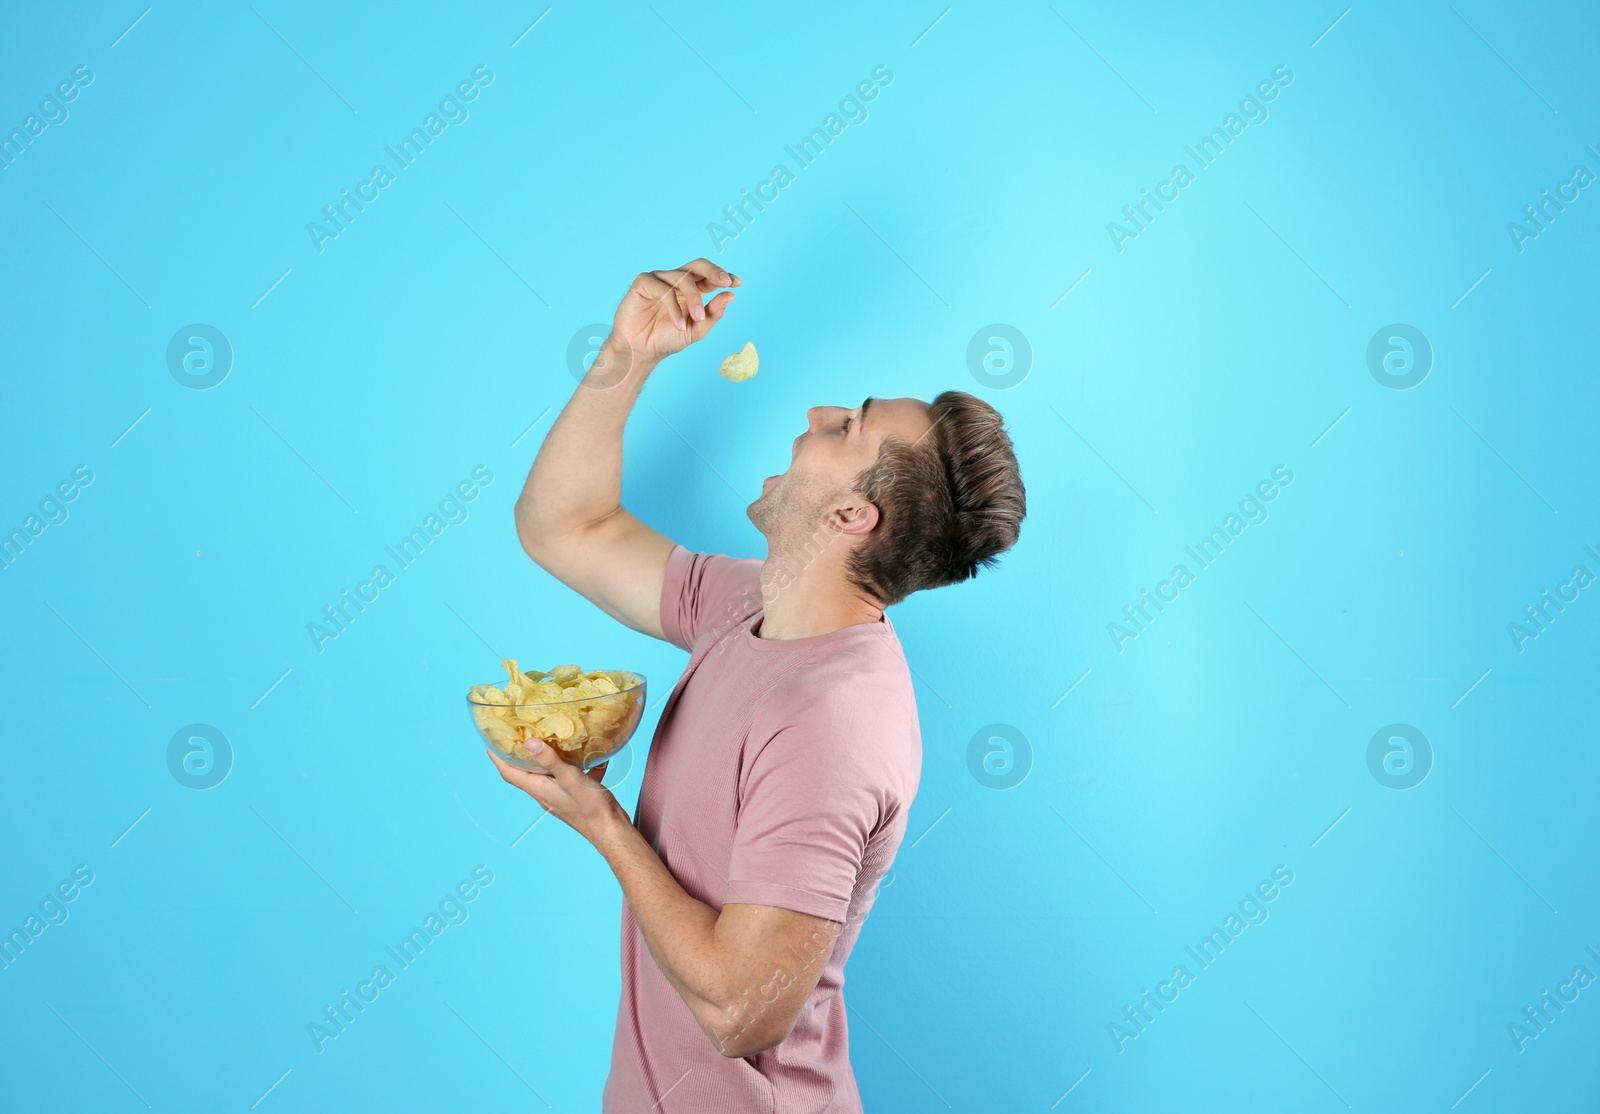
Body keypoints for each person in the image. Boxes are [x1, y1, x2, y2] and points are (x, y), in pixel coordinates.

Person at [487, 259, 1026, 1111]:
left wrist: (602, 823)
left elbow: (741, 1013)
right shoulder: (747, 604)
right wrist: (629, 353)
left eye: (847, 426)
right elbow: (565, 527)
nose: (816, 414)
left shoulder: (833, 723)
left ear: (852, 518)